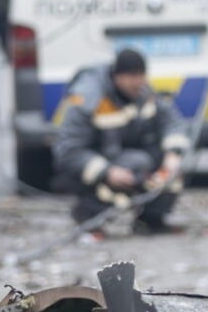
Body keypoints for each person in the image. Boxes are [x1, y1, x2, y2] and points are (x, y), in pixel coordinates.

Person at [52, 48, 190, 234]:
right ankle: (88, 215)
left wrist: (173, 154)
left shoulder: (143, 91)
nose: (138, 82)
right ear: (117, 76)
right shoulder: (88, 97)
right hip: (97, 166)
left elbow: (171, 120)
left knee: (170, 170)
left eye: (141, 76)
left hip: (130, 158)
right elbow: (68, 151)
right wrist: (107, 172)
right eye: (132, 77)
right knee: (136, 165)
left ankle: (151, 220)